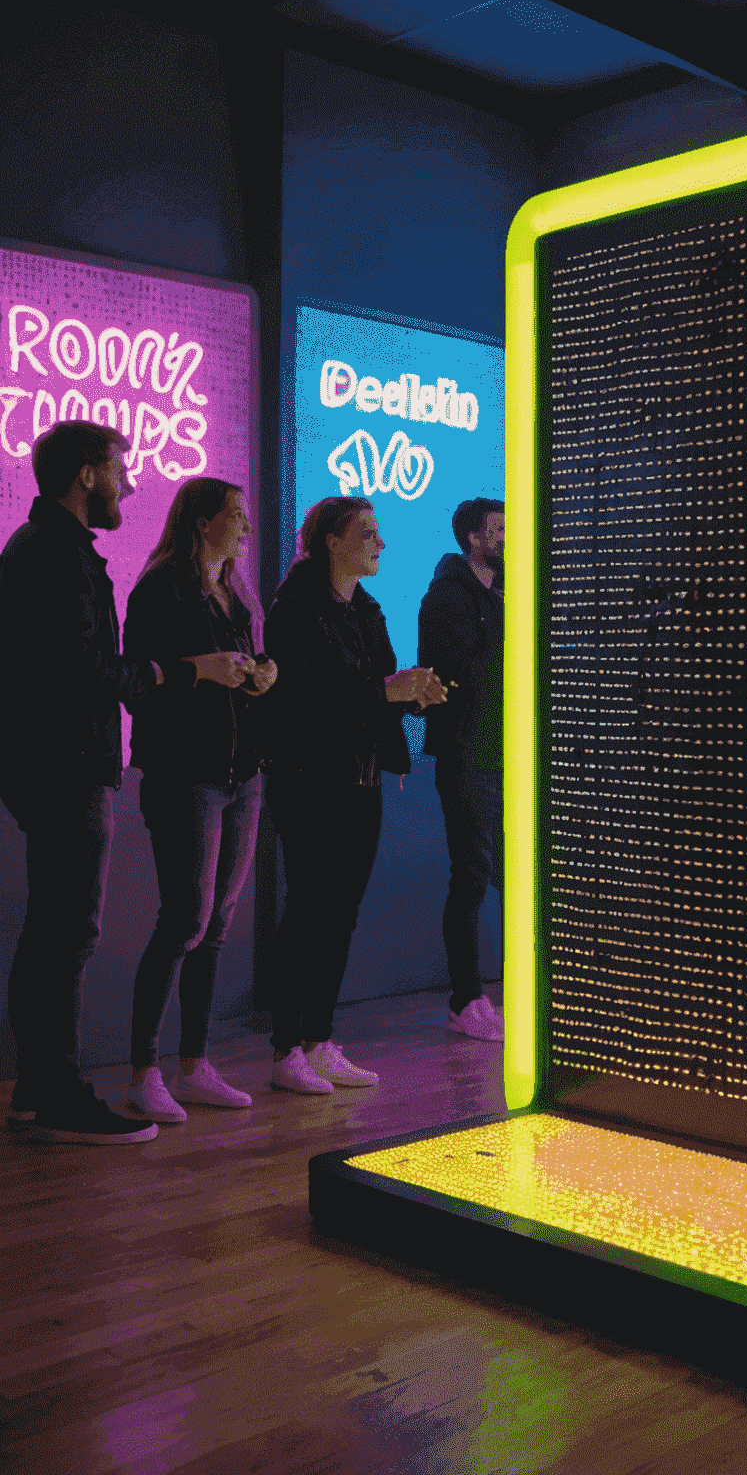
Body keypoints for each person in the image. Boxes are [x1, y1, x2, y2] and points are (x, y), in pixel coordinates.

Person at [0, 422, 187, 1145]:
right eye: (120, 469)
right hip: (65, 765)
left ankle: (39, 1090)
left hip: (54, 763)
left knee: (56, 930)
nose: (131, 484)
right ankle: (56, 1096)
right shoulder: (54, 556)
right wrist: (165, 673)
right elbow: (84, 672)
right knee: (66, 932)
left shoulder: (45, 549)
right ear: (85, 475)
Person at [262, 497, 447, 1094]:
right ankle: (287, 1046)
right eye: (367, 533)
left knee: (339, 915)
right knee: (309, 912)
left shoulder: (366, 609)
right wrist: (389, 691)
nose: (380, 543)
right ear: (332, 543)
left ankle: (319, 1038)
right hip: (309, 778)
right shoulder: (295, 608)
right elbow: (314, 696)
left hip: (362, 779)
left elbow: (376, 685)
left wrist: (414, 691)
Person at [121, 478, 276, 1122]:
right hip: (186, 774)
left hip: (243, 774)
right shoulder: (159, 587)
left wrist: (264, 674)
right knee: (185, 919)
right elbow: (135, 685)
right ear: (201, 520)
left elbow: (257, 663)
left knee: (216, 923)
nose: (246, 527)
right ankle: (143, 1072)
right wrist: (200, 668)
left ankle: (194, 1064)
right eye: (235, 515)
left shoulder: (237, 593)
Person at [418, 497, 505, 1041]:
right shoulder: (447, 596)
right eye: (499, 529)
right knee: (472, 876)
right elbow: (458, 674)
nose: (509, 537)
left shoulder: (504, 592)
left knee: (508, 876)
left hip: (505, 753)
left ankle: (504, 991)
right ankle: (467, 998)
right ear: (474, 538)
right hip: (469, 755)